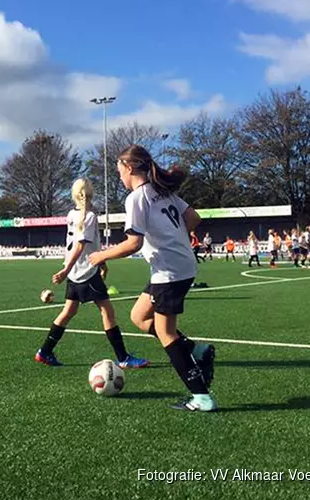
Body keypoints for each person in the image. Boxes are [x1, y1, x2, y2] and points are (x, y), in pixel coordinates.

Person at [87, 145, 216, 412]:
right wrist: (173, 238)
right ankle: (197, 350)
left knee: (165, 333)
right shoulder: (162, 190)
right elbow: (194, 217)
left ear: (130, 168)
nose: (120, 177)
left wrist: (102, 256)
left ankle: (201, 397)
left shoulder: (136, 198)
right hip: (177, 266)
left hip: (169, 271)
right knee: (138, 316)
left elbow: (134, 243)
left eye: (119, 171)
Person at [35, 178, 150, 370]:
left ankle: (45, 351)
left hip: (76, 272)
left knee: (69, 311)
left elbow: (86, 245)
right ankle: (123, 357)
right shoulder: (89, 216)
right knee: (108, 312)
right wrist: (66, 269)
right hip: (86, 272)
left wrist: (91, 264)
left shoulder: (71, 214)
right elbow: (80, 246)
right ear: (91, 194)